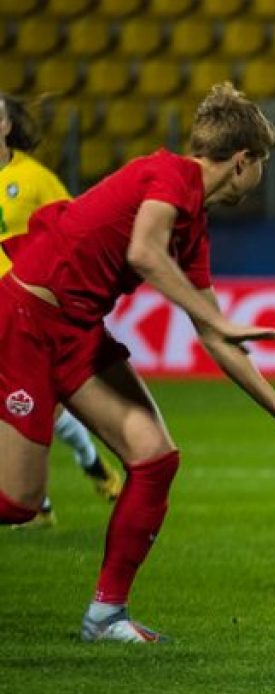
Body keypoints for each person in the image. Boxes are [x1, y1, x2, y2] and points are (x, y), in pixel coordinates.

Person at [0, 82, 275, 643]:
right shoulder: (169, 175)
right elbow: (143, 253)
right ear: (243, 161)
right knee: (17, 504)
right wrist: (219, 320)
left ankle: (106, 615)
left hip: (76, 330)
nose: (260, 176)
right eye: (263, 164)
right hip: (27, 318)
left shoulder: (192, 220)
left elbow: (213, 330)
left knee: (154, 458)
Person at [1, 93, 123, 527]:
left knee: (30, 404)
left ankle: (42, 499)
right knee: (22, 405)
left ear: (6, 127)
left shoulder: (33, 179)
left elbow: (71, 226)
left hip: (27, 303)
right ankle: (73, 479)